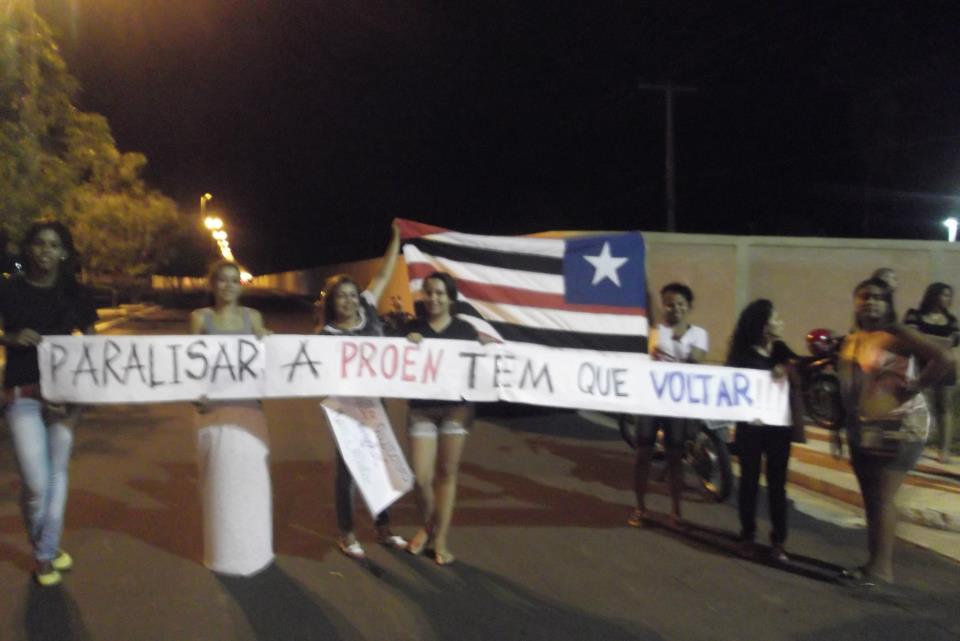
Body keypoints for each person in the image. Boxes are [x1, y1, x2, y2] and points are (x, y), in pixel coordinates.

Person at [836, 277, 952, 586]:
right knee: (872, 499)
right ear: (856, 302)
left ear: (889, 304)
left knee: (883, 497)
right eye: (865, 296)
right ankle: (873, 563)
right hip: (864, 428)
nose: (871, 301)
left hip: (901, 427)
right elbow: (848, 388)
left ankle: (881, 570)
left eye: (878, 297)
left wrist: (915, 386)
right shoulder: (853, 339)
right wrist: (839, 427)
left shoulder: (897, 334)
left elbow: (943, 359)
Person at [0, 221, 98, 586]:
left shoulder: (76, 294)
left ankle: (44, 554)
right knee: (37, 483)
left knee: (57, 474)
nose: (45, 250)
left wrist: (80, 396)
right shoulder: (8, 290)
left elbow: (92, 348)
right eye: (38, 243)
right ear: (29, 249)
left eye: (53, 244)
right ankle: (47, 546)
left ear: (63, 252)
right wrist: (8, 337)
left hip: (65, 399)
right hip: (22, 394)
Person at [316, 223, 407, 559]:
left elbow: (383, 275)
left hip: (374, 406)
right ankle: (347, 533)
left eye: (352, 295)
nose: (349, 301)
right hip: (344, 409)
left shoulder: (369, 310)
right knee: (348, 472)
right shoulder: (325, 336)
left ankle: (383, 528)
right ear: (332, 302)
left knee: (381, 464)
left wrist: (395, 239)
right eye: (341, 296)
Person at [190, 260, 274, 576]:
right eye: (222, 280)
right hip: (211, 412)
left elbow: (265, 359)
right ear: (212, 285)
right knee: (216, 482)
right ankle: (222, 553)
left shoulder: (253, 318)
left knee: (252, 482)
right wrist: (195, 394)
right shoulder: (200, 319)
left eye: (234, 281)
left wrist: (268, 341)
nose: (228, 286)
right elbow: (190, 364)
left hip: (249, 411)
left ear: (241, 286)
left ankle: (254, 549)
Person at [405, 272, 481, 565]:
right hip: (421, 409)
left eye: (440, 293)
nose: (434, 298)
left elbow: (479, 368)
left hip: (456, 409)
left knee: (447, 473)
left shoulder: (465, 330)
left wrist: (486, 354)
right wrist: (406, 344)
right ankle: (427, 525)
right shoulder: (412, 327)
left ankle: (440, 538)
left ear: (450, 298)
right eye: (429, 292)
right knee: (422, 477)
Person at [726, 299, 801, 562]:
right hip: (752, 429)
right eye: (776, 318)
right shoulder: (744, 356)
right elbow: (732, 389)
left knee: (777, 485)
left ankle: (779, 541)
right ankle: (747, 535)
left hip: (779, 429)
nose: (781, 323)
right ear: (762, 325)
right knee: (748, 482)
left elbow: (800, 374)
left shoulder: (782, 351)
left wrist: (788, 369)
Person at [628, 283, 707, 529]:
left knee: (674, 458)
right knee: (643, 455)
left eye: (681, 304)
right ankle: (640, 507)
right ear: (663, 306)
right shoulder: (652, 331)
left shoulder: (698, 334)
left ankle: (676, 512)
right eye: (670, 304)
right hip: (650, 403)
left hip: (677, 405)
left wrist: (674, 346)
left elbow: (695, 360)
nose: (675, 309)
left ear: (689, 307)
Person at [903, 282, 958, 462]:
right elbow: (911, 338)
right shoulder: (914, 315)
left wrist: (926, 340)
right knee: (920, 407)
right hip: (920, 366)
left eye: (949, 295)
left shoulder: (952, 320)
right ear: (933, 295)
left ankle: (944, 450)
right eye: (943, 294)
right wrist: (937, 342)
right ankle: (917, 446)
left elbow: (951, 343)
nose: (947, 299)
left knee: (945, 407)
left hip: (945, 367)